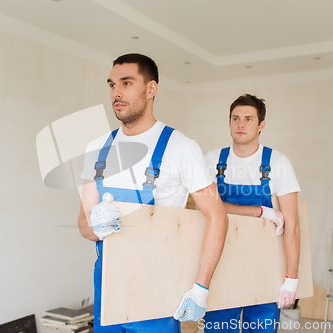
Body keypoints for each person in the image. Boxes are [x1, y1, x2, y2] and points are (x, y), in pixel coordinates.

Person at [77, 53, 229, 333]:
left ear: (151, 89)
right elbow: (83, 223)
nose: (116, 93)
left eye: (126, 83)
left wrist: (201, 288)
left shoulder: (181, 147)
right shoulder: (98, 148)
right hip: (108, 289)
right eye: (112, 85)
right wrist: (96, 226)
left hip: (159, 290)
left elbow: (218, 217)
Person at [202, 94, 301, 333]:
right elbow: (205, 207)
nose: (240, 124)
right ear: (229, 123)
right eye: (235, 118)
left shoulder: (278, 163)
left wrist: (291, 279)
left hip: (265, 268)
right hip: (221, 265)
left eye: (248, 119)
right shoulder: (213, 160)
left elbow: (293, 226)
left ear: (261, 125)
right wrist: (261, 211)